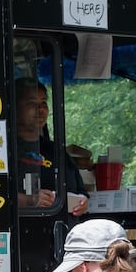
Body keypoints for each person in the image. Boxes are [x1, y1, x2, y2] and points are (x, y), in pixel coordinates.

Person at [13, 78, 88, 215]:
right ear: (14, 107)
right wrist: (27, 200)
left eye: (43, 103)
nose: (40, 109)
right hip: (22, 231)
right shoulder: (2, 150)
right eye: (31, 103)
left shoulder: (57, 151)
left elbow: (81, 192)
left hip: (62, 230)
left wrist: (83, 203)